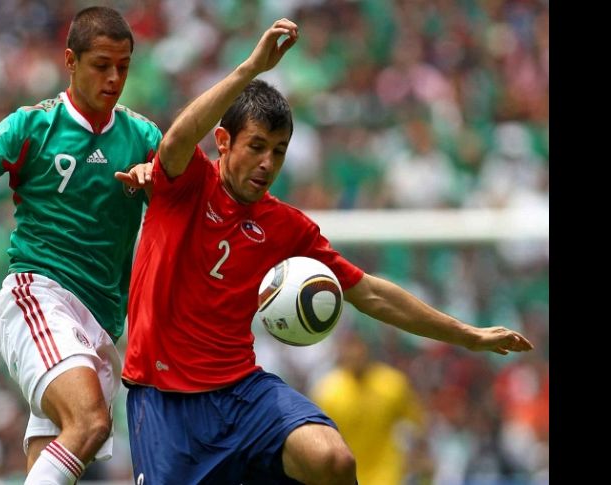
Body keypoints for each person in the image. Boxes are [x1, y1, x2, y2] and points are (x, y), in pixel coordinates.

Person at [120, 17, 534, 485]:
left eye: (278, 151)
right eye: (256, 146)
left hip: (241, 392)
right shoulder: (186, 182)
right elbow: (174, 140)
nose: (267, 163)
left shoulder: (287, 227)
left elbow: (370, 293)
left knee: (333, 460)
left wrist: (467, 335)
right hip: (163, 399)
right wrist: (250, 68)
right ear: (222, 141)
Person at [0, 6, 160, 484]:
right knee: (91, 423)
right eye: (102, 65)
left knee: (60, 454)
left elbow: (185, 203)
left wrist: (157, 180)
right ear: (70, 60)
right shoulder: (32, 126)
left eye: (123, 66)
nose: (114, 78)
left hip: (101, 323)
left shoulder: (144, 137)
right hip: (39, 296)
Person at [310, 329, 426, 485]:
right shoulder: (328, 391)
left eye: (357, 346)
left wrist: (416, 459)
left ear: (367, 349)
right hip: (347, 477)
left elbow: (416, 425)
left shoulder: (392, 383)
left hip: (389, 476)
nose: (353, 353)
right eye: (348, 347)